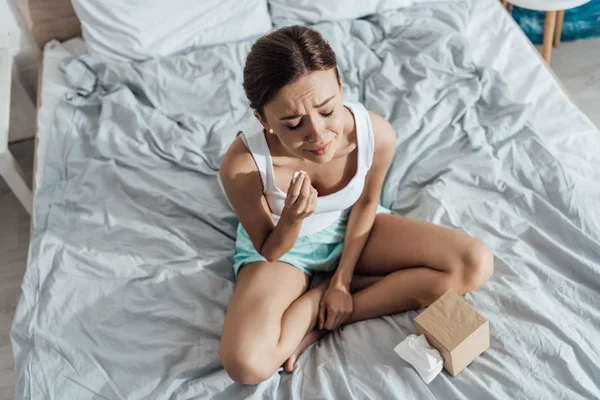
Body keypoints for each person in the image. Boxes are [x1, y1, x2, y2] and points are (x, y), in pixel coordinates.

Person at [219, 25, 493, 385]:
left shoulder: (376, 135)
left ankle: (321, 305)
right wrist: (291, 220)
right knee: (246, 365)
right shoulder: (241, 167)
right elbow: (269, 250)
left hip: (353, 228)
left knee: (474, 264)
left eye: (327, 110)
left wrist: (342, 284)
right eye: (294, 123)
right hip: (282, 250)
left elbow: (367, 203)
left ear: (340, 87)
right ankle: (332, 298)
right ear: (263, 120)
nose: (318, 135)